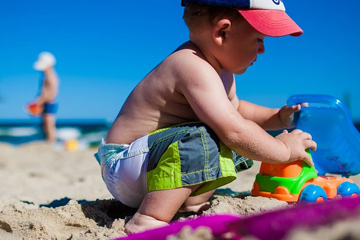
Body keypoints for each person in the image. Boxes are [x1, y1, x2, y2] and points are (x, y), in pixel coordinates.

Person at [95, 0, 317, 234]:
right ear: (222, 32)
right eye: (259, 39)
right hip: (125, 165)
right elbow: (235, 130)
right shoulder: (190, 64)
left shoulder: (222, 75)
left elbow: (238, 110)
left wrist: (278, 117)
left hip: (150, 166)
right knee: (217, 136)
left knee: (222, 132)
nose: (262, 49)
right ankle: (149, 219)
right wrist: (283, 150)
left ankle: (188, 201)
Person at [30, 52, 59, 143]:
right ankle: (48, 141)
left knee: (49, 124)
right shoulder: (46, 76)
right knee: (44, 125)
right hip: (45, 102)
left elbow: (51, 93)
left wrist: (38, 101)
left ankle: (51, 142)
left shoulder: (51, 76)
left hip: (49, 102)